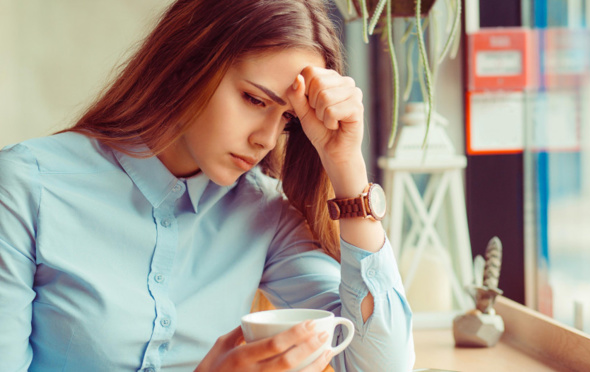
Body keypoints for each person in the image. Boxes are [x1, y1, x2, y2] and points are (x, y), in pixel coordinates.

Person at [0, 0, 414, 371]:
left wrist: (346, 166)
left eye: (287, 118)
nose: (267, 140)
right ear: (186, 65)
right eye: (254, 100)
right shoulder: (26, 186)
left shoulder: (264, 214)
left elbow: (381, 365)